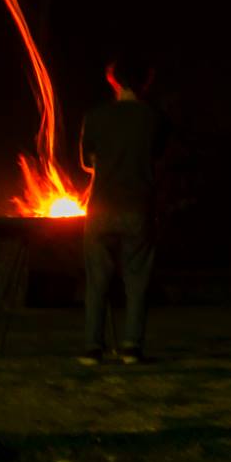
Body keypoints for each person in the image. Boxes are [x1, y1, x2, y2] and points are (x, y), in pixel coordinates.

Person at [78, 56, 168, 365]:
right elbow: (159, 156)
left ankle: (92, 348)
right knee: (137, 279)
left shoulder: (96, 116)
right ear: (146, 82)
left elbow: (87, 162)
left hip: (101, 207)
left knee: (97, 280)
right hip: (138, 206)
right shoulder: (154, 117)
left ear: (113, 80)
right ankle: (131, 347)